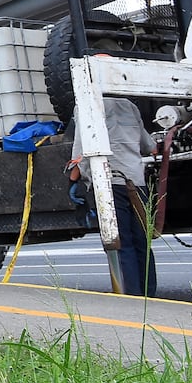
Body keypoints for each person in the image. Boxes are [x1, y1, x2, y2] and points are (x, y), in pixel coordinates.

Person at [69, 95, 158, 296]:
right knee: (143, 242)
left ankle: (131, 297)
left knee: (121, 243)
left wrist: (74, 179)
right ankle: (149, 296)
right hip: (137, 183)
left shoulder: (86, 103)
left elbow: (81, 149)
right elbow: (149, 146)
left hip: (110, 184)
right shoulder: (129, 106)